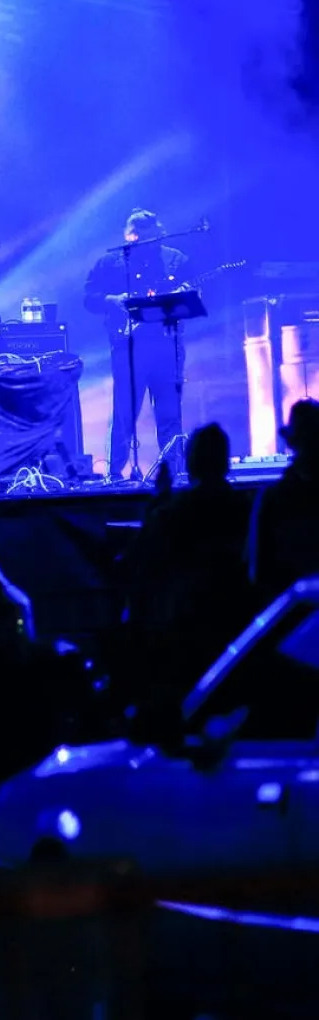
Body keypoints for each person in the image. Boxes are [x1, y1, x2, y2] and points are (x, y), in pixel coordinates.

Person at [119, 424, 253, 714]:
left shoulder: (179, 510)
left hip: (185, 627)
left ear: (193, 461)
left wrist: (159, 500)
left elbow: (144, 556)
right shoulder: (244, 506)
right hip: (232, 625)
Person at [83, 209, 189, 480]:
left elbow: (196, 299)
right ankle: (115, 472)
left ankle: (173, 470)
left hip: (166, 345)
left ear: (159, 233)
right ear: (129, 236)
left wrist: (184, 296)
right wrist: (111, 299)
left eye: (151, 237)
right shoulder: (110, 262)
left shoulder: (175, 259)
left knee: (169, 411)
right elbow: (88, 298)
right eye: (138, 237)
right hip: (128, 346)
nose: (145, 243)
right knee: (125, 411)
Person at [248, 399, 319, 607]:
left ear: (291, 442)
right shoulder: (273, 497)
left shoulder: (273, 498)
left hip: (287, 614)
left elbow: (257, 573)